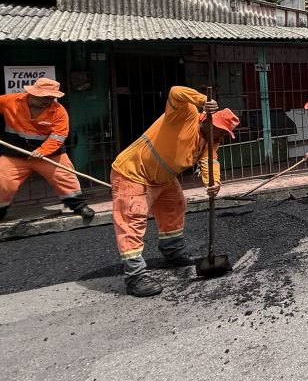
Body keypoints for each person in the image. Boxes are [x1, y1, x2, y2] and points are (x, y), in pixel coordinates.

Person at [109, 86, 239, 297]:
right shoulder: (185, 114)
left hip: (163, 178)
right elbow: (175, 91)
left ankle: (172, 253)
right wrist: (202, 100)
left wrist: (213, 184)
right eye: (221, 131)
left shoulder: (211, 140)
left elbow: (210, 162)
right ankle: (135, 276)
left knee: (175, 206)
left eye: (225, 134)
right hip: (133, 172)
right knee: (132, 219)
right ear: (208, 120)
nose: (221, 136)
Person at [0, 78, 95, 222]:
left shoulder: (59, 111)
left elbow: (58, 137)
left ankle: (79, 206)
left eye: (51, 97)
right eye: (44, 97)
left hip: (49, 154)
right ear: (32, 93)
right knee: (3, 181)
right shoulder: (9, 101)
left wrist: (42, 151)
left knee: (65, 177)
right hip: (15, 153)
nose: (48, 100)